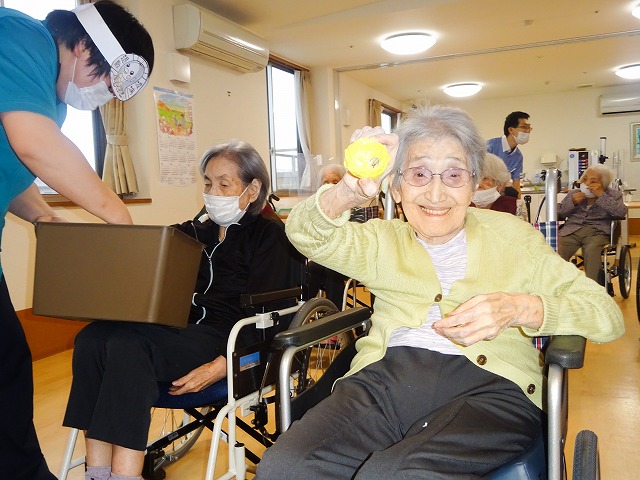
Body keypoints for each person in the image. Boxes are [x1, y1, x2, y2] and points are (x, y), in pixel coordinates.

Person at [256, 105, 624, 480]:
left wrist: (519, 309)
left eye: (453, 174)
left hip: (492, 390)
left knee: (398, 474)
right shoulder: (382, 241)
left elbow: (605, 314)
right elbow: (305, 233)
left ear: (473, 184)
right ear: (396, 187)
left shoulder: (513, 237)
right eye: (418, 174)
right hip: (384, 381)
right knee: (285, 467)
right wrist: (349, 189)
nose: (435, 193)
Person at [62, 141, 293, 480]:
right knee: (92, 338)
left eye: (224, 184)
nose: (213, 192)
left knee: (128, 348)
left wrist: (225, 365)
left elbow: (276, 316)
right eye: (208, 183)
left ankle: (126, 475)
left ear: (253, 188)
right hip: (179, 329)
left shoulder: (270, 236)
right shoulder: (192, 232)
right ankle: (97, 472)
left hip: (224, 339)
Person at [0, 2, 153, 479]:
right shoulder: (20, 36)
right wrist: (118, 216)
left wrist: (44, 216)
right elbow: (32, 145)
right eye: (106, 82)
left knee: (7, 366)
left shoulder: (49, 97)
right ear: (84, 46)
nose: (102, 96)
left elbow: (12, 170)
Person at [558, 164, 627, 282]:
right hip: (571, 230)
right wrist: (572, 202)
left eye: (593, 181)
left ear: (603, 184)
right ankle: (555, 285)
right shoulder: (573, 193)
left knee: (591, 250)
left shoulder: (614, 195)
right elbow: (558, 214)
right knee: (556, 249)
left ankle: (593, 288)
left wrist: (601, 195)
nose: (587, 184)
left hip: (597, 232)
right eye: (584, 179)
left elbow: (621, 212)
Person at [486, 111, 532, 197]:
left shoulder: (518, 157)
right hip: (482, 193)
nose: (527, 131)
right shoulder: (490, 146)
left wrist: (519, 205)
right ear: (511, 130)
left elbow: (516, 185)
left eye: (529, 128)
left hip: (499, 194)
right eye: (524, 127)